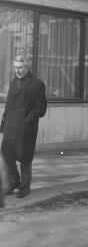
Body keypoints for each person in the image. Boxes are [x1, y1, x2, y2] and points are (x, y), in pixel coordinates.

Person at [1, 55, 47, 198]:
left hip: (26, 129)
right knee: (6, 154)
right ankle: (14, 181)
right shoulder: (13, 83)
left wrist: (27, 121)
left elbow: (41, 109)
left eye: (20, 67)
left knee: (24, 157)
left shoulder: (37, 84)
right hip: (10, 127)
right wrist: (3, 122)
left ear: (27, 68)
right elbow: (8, 106)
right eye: (15, 68)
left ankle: (25, 187)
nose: (18, 70)